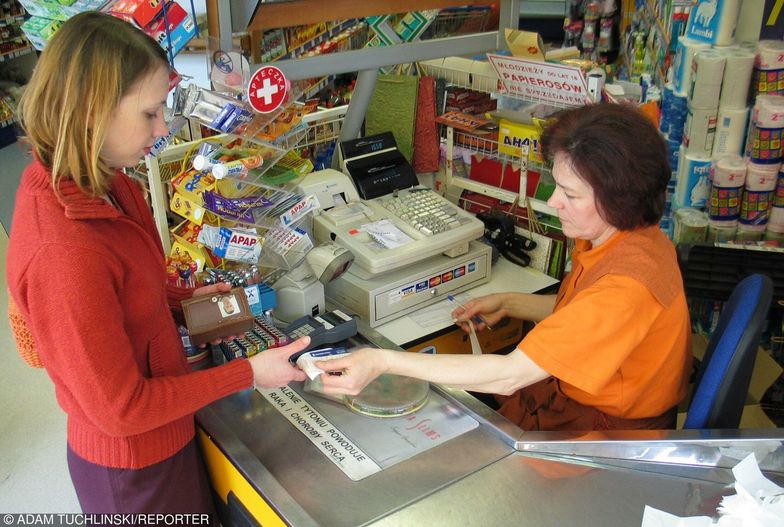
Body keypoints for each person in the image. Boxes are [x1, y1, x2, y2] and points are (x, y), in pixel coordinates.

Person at [6, 12, 309, 516]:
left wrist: (184, 299)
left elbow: (126, 285)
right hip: (131, 472)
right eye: (149, 114)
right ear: (89, 112)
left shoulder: (111, 181)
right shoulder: (62, 251)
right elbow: (121, 411)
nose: (163, 127)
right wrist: (248, 372)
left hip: (165, 435)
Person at [319, 103, 693, 431]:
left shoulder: (627, 287)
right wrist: (510, 302)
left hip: (599, 436)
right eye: (557, 185)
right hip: (567, 401)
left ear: (618, 198)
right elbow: (585, 317)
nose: (554, 201)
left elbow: (509, 376)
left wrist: (383, 360)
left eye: (571, 194)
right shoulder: (630, 237)